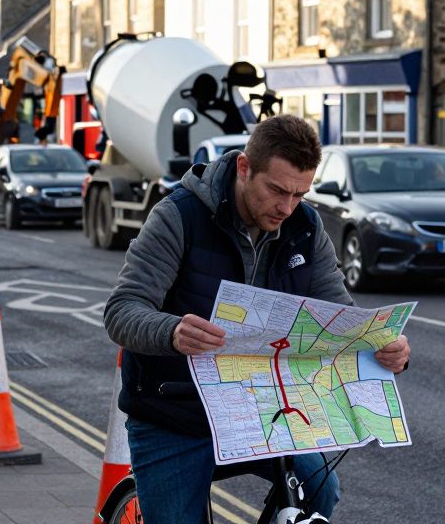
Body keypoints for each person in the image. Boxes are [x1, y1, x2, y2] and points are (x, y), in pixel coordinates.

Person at [104, 115, 411, 522]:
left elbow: (341, 318)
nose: (286, 207)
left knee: (321, 492)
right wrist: (172, 331)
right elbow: (122, 310)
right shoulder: (178, 216)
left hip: (262, 409)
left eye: (300, 194)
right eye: (277, 190)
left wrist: (385, 348)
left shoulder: (305, 226)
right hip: (175, 411)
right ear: (245, 168)